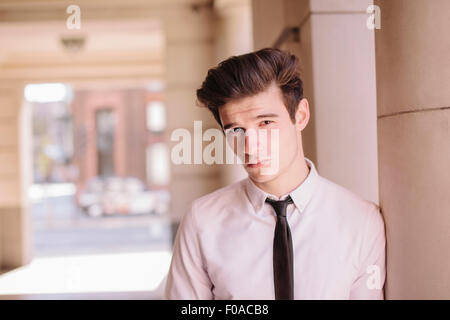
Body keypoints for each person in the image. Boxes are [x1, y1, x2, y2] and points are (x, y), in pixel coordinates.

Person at [164, 48, 386, 300]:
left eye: (265, 123)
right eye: (236, 130)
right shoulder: (202, 222)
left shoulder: (361, 221)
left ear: (300, 115)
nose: (250, 146)